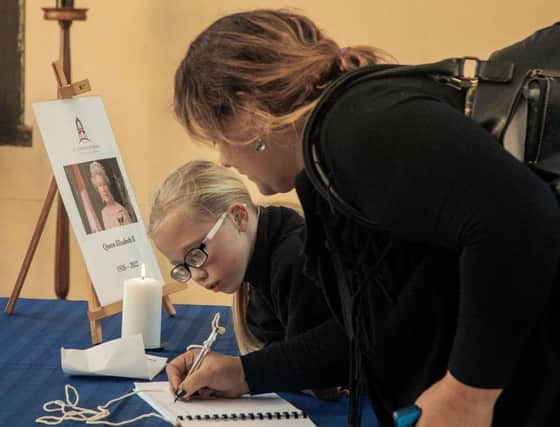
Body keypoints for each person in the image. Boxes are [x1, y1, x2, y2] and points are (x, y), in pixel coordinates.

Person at [166, 9, 560, 427]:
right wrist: (246, 374)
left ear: (248, 113)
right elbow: (375, 328)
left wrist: (467, 393)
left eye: (218, 138)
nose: (225, 159)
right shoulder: (332, 152)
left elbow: (520, 218)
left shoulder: (353, 131)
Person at [149, 159, 348, 398]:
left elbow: (319, 376)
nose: (196, 275)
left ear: (238, 217)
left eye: (195, 254)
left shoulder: (295, 260)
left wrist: (240, 372)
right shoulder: (261, 255)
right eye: (183, 267)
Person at [89, 161, 135, 229]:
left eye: (104, 184)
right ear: (97, 190)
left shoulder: (121, 209)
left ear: (108, 185)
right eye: (99, 186)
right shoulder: (103, 213)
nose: (103, 189)